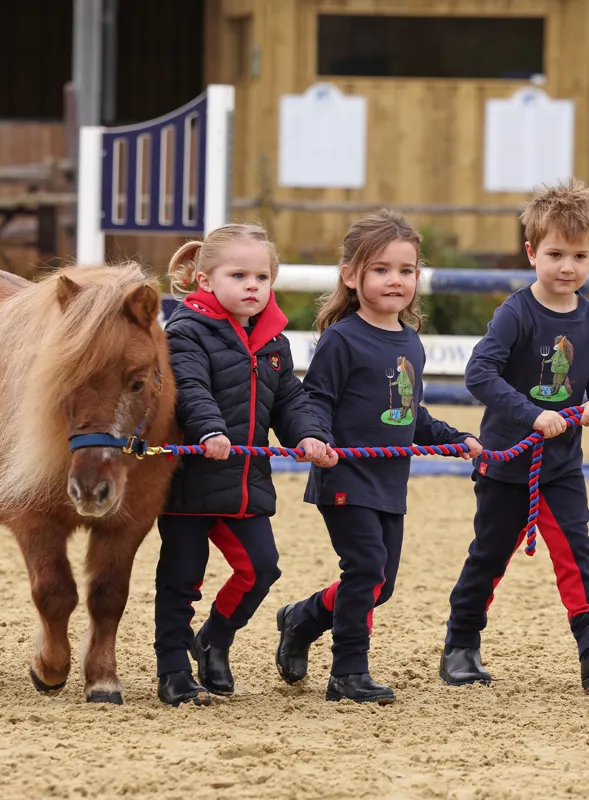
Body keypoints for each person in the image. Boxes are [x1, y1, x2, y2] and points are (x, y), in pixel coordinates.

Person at [440, 179, 589, 693]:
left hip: (563, 465)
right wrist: (531, 415)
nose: (567, 266)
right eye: (555, 254)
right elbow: (479, 374)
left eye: (579, 256)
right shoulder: (515, 313)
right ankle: (461, 643)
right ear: (532, 253)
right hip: (507, 463)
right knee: (490, 555)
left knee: (577, 551)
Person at [274, 211, 482, 704]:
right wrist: (315, 439)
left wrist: (454, 438)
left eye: (405, 270)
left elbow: (409, 414)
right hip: (344, 475)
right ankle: (348, 673)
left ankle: (302, 618)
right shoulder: (341, 339)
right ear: (351, 276)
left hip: (389, 480)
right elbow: (317, 399)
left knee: (380, 584)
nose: (395, 280)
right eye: (381, 269)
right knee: (366, 568)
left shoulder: (410, 341)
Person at [155, 223, 338, 707]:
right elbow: (190, 388)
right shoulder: (185, 331)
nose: (252, 286)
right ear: (205, 281)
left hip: (243, 481)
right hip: (189, 481)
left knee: (261, 569)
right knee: (181, 579)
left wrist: (309, 435)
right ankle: (173, 669)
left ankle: (214, 638)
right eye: (238, 276)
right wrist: (209, 431)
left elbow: (289, 400)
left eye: (261, 277)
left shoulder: (274, 341)